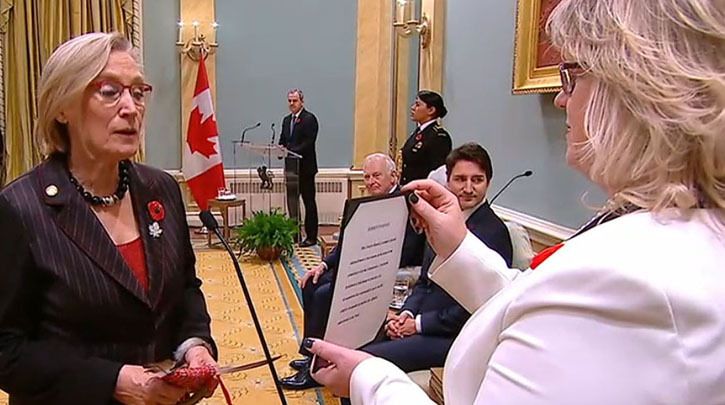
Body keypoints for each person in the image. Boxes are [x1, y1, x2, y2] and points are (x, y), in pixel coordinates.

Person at [305, 0, 725, 403]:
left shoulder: (628, 282)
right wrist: (458, 246)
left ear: (634, 87)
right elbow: (533, 298)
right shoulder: (674, 227)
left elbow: (566, 303)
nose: (562, 100)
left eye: (572, 78)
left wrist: (369, 379)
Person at [0, 32, 218, 404]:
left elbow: (185, 289)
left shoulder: (161, 188)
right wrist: (111, 380)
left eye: (137, 91)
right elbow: (7, 351)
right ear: (62, 108)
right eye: (109, 91)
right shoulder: (21, 209)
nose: (131, 108)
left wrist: (195, 346)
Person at [359, 143, 513, 373]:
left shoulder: (493, 231)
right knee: (358, 340)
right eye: (460, 179)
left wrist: (417, 325)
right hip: (421, 321)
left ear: (488, 182)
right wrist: (406, 314)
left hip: (455, 336)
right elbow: (424, 282)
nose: (468, 188)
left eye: (477, 180)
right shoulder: (439, 220)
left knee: (364, 363)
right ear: (448, 181)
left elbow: (478, 309)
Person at [280, 153, 425, 390]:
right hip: (359, 265)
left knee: (325, 294)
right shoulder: (367, 203)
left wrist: (358, 265)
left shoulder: (407, 205)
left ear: (394, 176)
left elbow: (405, 253)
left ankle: (318, 367)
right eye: (366, 177)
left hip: (385, 273)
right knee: (311, 283)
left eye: (376, 175)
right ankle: (311, 354)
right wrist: (324, 264)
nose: (370, 182)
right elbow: (348, 241)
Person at [279, 89, 319, 247]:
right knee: (292, 202)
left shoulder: (309, 119)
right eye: (289, 101)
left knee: (309, 202)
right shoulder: (286, 120)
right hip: (291, 168)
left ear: (302, 101)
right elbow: (283, 139)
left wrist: (291, 150)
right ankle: (294, 234)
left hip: (306, 168)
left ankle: (311, 236)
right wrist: (280, 148)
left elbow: (309, 142)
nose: (291, 104)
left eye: (294, 101)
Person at [400, 90, 452, 185]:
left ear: (431, 110)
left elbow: (438, 171)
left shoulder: (439, 136)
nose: (413, 108)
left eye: (418, 105)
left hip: (425, 190)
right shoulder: (418, 132)